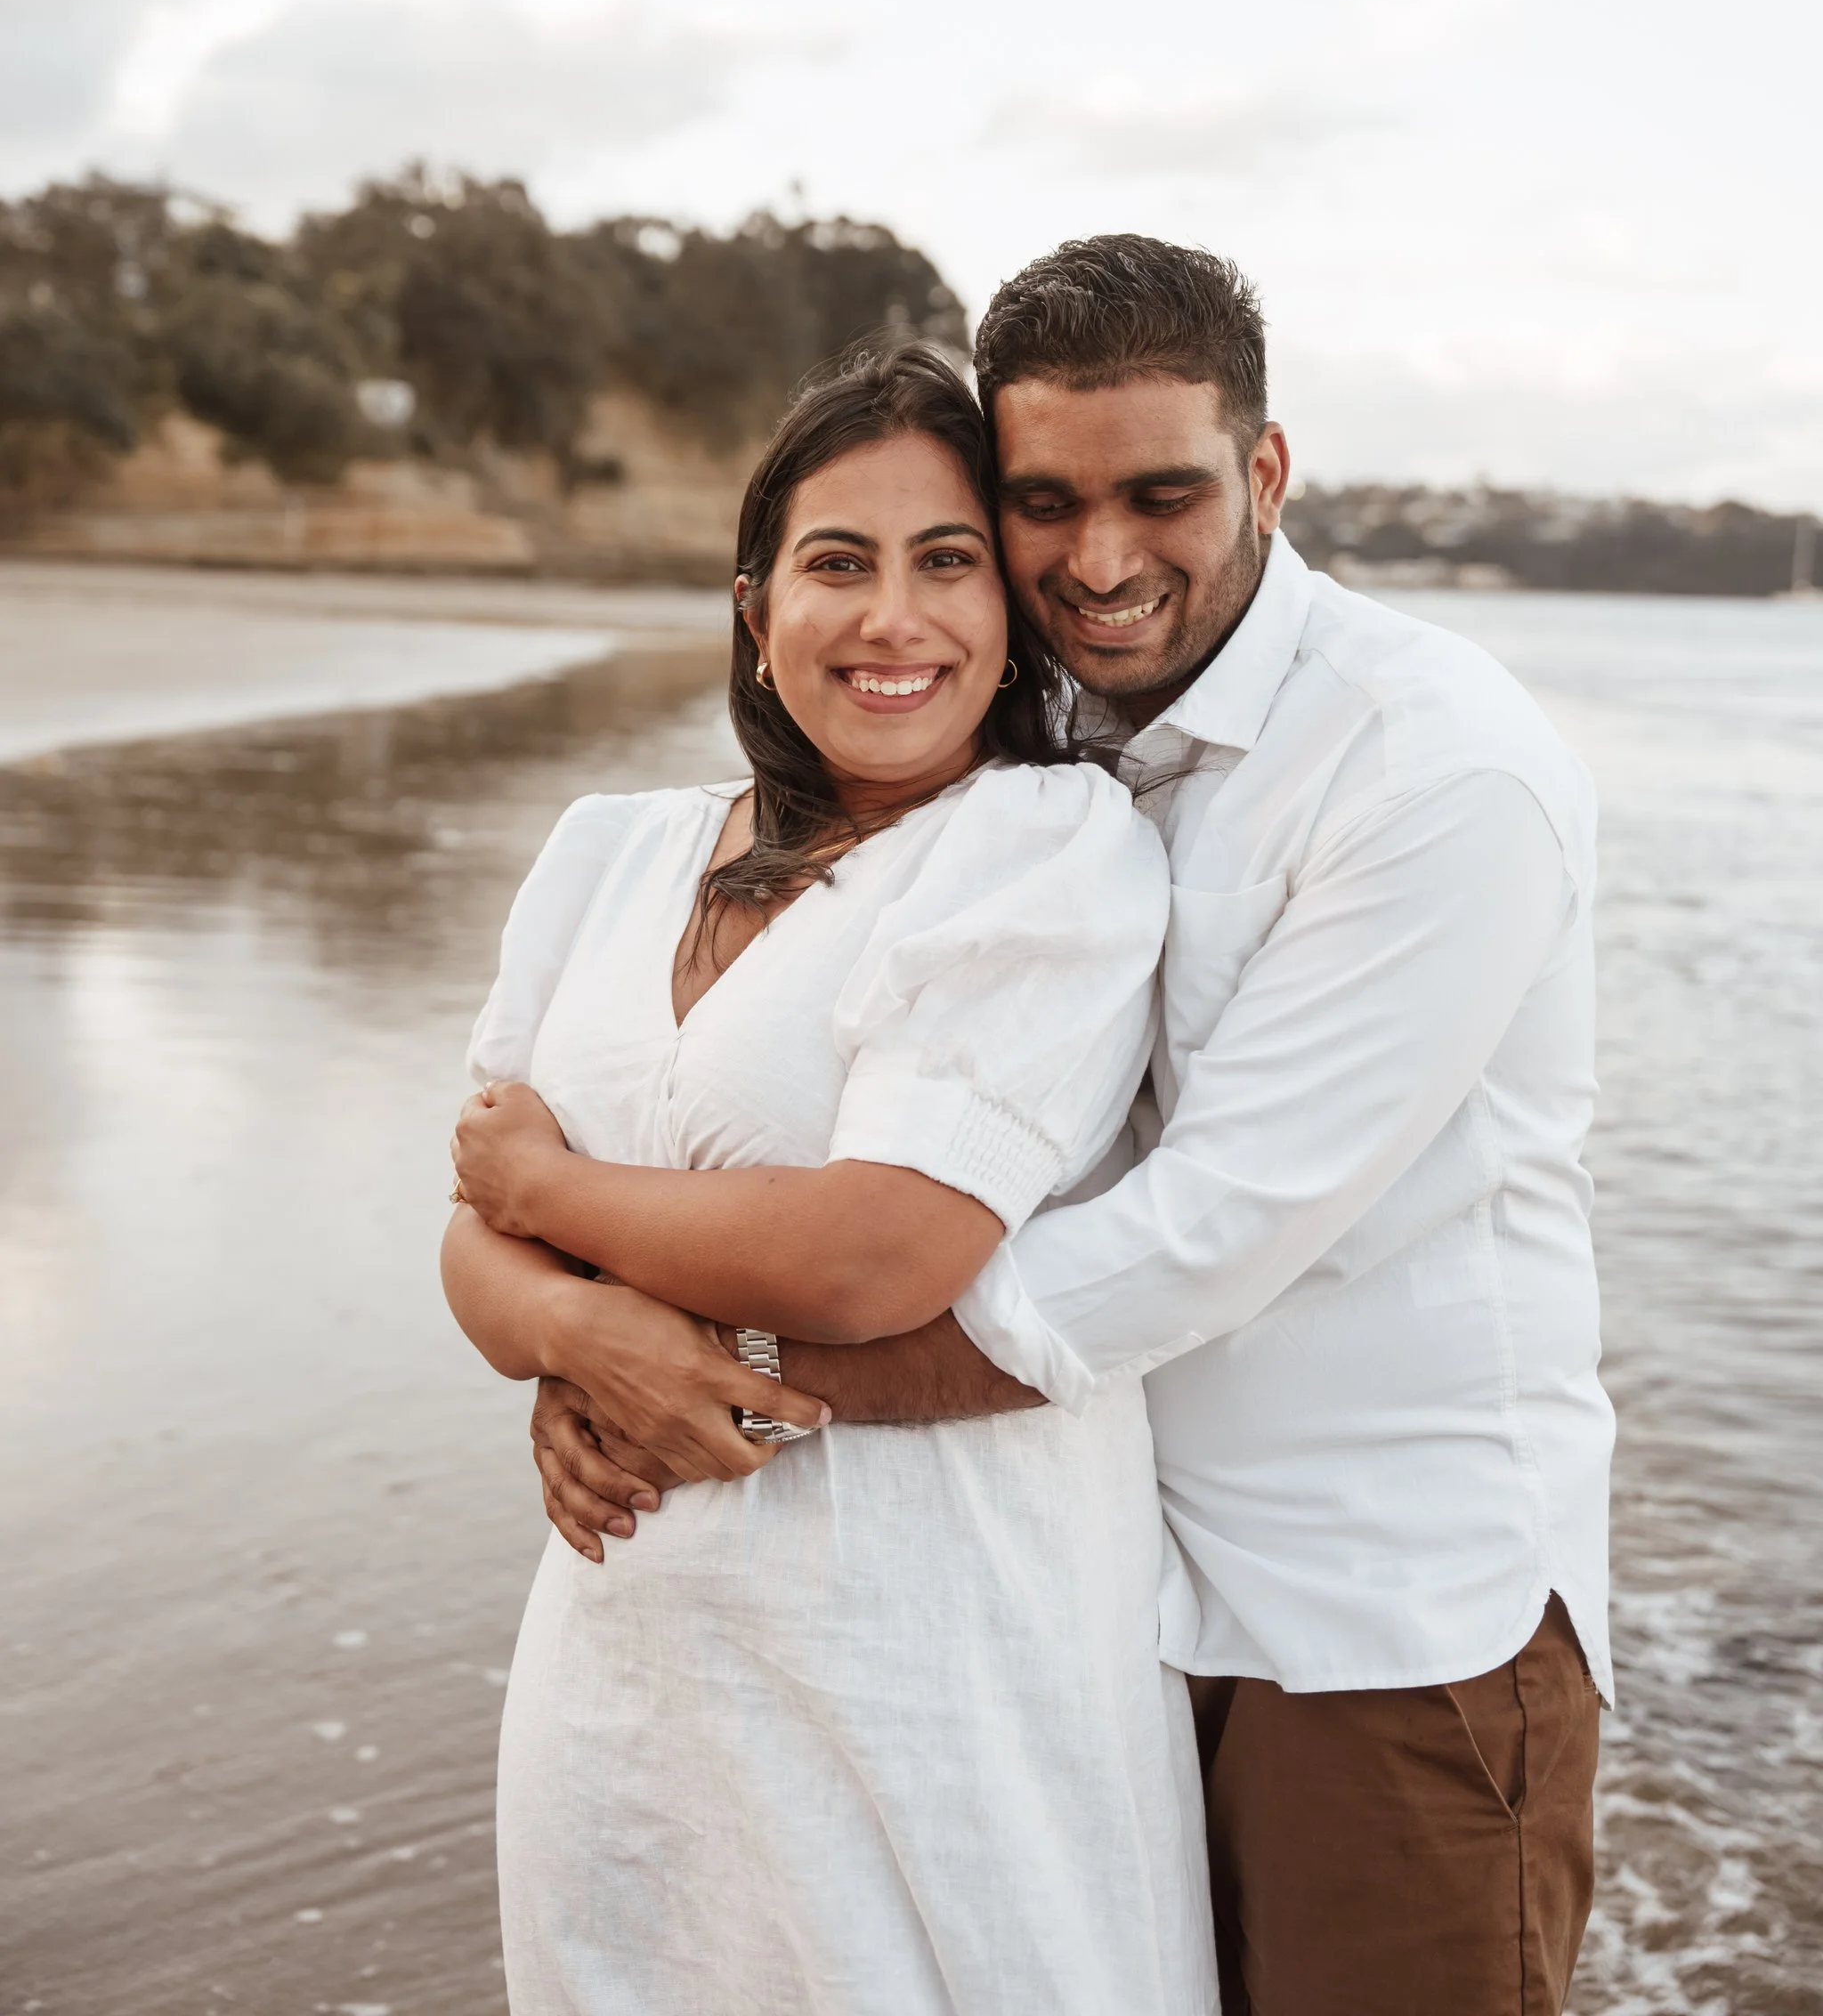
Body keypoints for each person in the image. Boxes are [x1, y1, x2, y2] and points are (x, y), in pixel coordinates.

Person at [531, 235, 1616, 2016]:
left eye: (1162, 495)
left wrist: (677, 1374)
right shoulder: (1042, 724)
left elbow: (1199, 1234)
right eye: (1044, 502)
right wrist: (582, 1342)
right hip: (1086, 1594)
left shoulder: (1437, 771)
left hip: (1376, 1622)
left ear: (1264, 473)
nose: (1099, 561)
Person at [441, 341, 1219, 2016]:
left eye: (948, 563)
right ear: (752, 603)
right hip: (632, 1646)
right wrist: (586, 1344)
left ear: (1006, 614)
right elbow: (468, 1256)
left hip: (931, 1651)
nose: (896, 620)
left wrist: (559, 1212)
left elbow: (878, 1253)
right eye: (838, 563)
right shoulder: (609, 851)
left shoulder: (1043, 851)